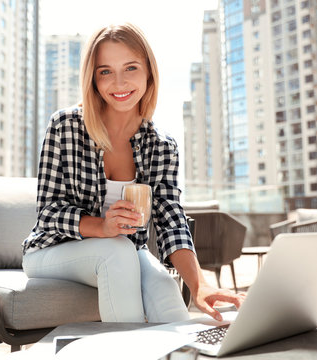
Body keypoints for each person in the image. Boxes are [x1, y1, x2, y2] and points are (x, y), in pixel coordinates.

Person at [22, 22, 245, 323]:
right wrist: (102, 227)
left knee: (167, 294)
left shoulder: (162, 145)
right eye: (105, 71)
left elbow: (170, 219)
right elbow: (47, 214)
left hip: (124, 252)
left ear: (148, 72)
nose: (119, 83)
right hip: (52, 251)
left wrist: (200, 284)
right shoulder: (65, 126)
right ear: (93, 79)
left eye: (130, 68)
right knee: (116, 251)